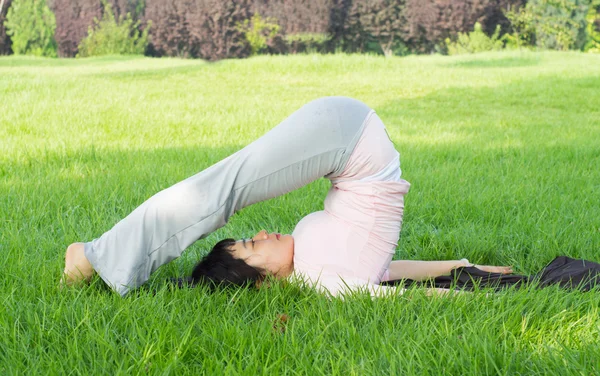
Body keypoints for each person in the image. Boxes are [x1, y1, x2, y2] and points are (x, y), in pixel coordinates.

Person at [64, 97, 511, 297]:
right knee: (222, 188)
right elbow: (391, 281)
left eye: (250, 239)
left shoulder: (314, 271)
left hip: (345, 139)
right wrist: (468, 274)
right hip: (349, 141)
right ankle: (97, 255)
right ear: (261, 281)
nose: (262, 233)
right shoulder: (323, 280)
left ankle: (97, 256)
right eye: (254, 246)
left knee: (224, 188)